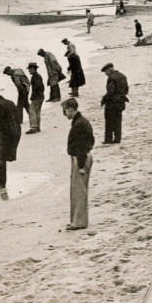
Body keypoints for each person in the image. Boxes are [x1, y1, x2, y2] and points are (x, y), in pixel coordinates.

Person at [62, 98, 94, 230]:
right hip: (82, 157)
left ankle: (78, 222)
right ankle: (78, 220)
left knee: (78, 191)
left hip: (80, 158)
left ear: (70, 109)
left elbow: (81, 146)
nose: (64, 114)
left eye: (65, 111)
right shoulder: (81, 121)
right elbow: (91, 141)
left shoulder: (79, 124)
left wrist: (81, 165)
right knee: (79, 190)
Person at [0, 89, 21, 193]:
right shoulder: (10, 102)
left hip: (3, 134)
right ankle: (0, 182)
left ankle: (1, 183)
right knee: (1, 158)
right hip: (14, 131)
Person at [100, 63, 129, 144]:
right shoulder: (123, 76)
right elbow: (126, 90)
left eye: (105, 72)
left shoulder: (111, 78)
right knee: (118, 121)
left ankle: (108, 139)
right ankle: (117, 139)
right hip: (121, 102)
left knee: (109, 121)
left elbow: (110, 92)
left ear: (109, 70)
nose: (105, 74)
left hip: (112, 103)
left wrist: (104, 100)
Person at [26, 62, 45, 134]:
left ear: (33, 69)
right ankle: (37, 127)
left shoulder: (34, 77)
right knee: (37, 111)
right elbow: (42, 87)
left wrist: (33, 96)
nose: (29, 71)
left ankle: (34, 127)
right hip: (41, 96)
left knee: (32, 111)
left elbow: (37, 86)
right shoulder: (38, 75)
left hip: (37, 96)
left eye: (30, 69)